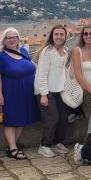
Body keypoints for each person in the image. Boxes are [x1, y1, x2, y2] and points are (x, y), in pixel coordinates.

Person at [0, 27, 40, 160]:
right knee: (10, 120)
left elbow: (34, 65)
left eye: (15, 37)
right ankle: (13, 148)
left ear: (18, 39)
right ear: (4, 40)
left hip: (27, 92)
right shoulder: (0, 56)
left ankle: (11, 146)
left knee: (22, 119)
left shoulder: (23, 51)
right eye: (9, 37)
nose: (12, 40)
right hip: (10, 92)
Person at [34, 25, 70, 158]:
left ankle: (57, 142)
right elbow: (41, 75)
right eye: (56, 34)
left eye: (61, 34)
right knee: (52, 118)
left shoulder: (66, 51)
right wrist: (43, 94)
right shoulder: (47, 52)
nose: (59, 37)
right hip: (45, 90)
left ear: (65, 36)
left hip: (59, 89)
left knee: (63, 118)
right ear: (52, 36)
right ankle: (45, 145)